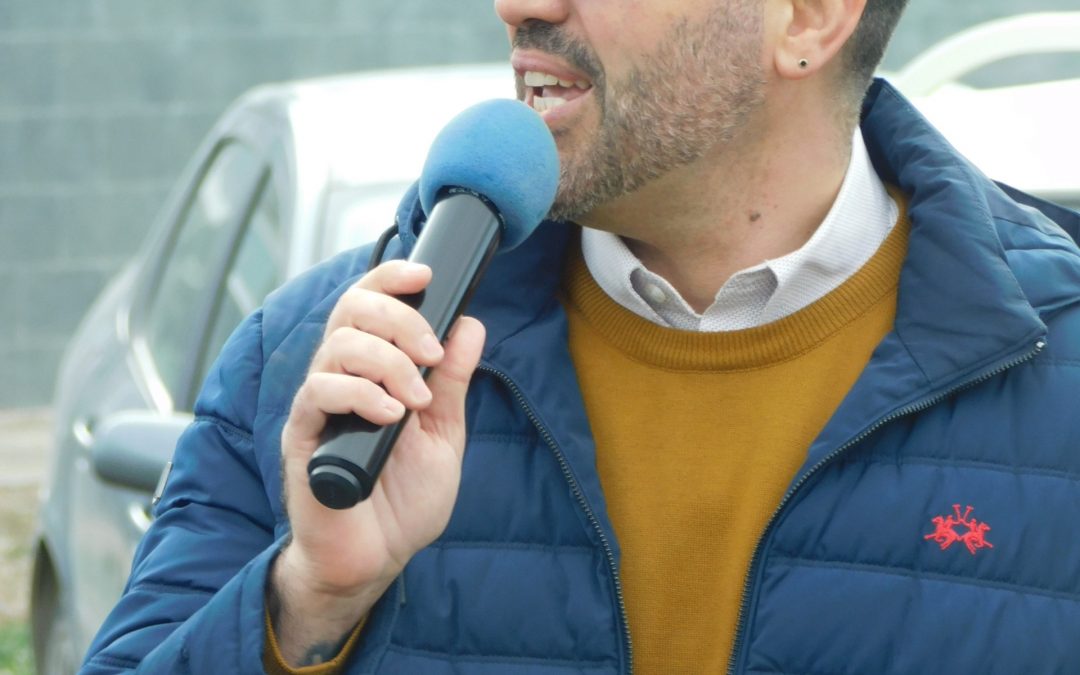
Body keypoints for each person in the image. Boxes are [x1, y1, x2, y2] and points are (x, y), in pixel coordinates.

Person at [84, 0, 1080, 673]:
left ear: (808, 15)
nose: (518, 2)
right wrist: (306, 603)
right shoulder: (317, 370)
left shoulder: (1057, 372)